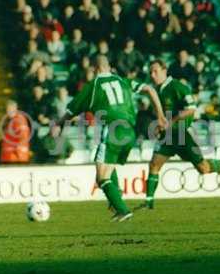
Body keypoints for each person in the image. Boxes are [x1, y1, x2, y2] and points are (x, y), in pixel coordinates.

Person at [64, 55, 168, 221]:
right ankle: (116, 195)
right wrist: (161, 116)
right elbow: (150, 89)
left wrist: (60, 123)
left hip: (113, 130)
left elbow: (69, 113)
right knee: (106, 164)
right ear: (109, 67)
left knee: (101, 177)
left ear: (94, 69)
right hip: (130, 132)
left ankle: (122, 209)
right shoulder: (123, 80)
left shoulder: (93, 86)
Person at [137, 60, 220, 210]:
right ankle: (148, 202)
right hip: (167, 137)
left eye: (155, 71)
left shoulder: (177, 87)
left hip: (181, 135)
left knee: (203, 168)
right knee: (154, 164)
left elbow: (191, 109)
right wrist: (160, 127)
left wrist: (171, 121)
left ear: (164, 70)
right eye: (150, 72)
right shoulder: (158, 90)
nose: (152, 75)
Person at [0, 100, 31, 164]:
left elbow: (23, 136)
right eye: (7, 109)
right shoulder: (10, 120)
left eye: (10, 109)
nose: (8, 111)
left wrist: (19, 154)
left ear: (15, 108)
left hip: (16, 158)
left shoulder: (18, 120)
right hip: (10, 157)